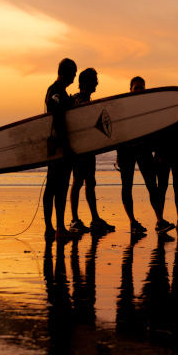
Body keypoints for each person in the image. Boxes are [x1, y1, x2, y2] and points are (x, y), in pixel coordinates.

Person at [116, 76, 175, 235]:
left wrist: (158, 151)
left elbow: (155, 130)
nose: (139, 90)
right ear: (130, 89)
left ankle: (160, 221)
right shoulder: (123, 107)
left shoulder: (147, 107)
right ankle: (133, 222)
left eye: (141, 88)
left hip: (144, 150)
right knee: (127, 187)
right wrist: (118, 154)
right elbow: (118, 131)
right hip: (127, 151)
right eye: (136, 88)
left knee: (152, 186)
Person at [68, 68, 115, 234]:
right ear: (86, 81)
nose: (97, 82)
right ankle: (74, 220)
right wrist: (81, 151)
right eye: (94, 79)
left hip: (89, 149)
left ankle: (95, 219)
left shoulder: (88, 100)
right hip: (80, 150)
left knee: (90, 182)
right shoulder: (77, 101)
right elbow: (76, 129)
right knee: (78, 182)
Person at [44, 58, 77, 240]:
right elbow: (58, 121)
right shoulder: (56, 92)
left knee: (54, 187)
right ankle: (56, 228)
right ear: (65, 73)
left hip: (57, 147)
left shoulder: (58, 92)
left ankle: (54, 228)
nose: (73, 79)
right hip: (58, 148)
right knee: (58, 188)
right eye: (73, 74)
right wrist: (67, 148)